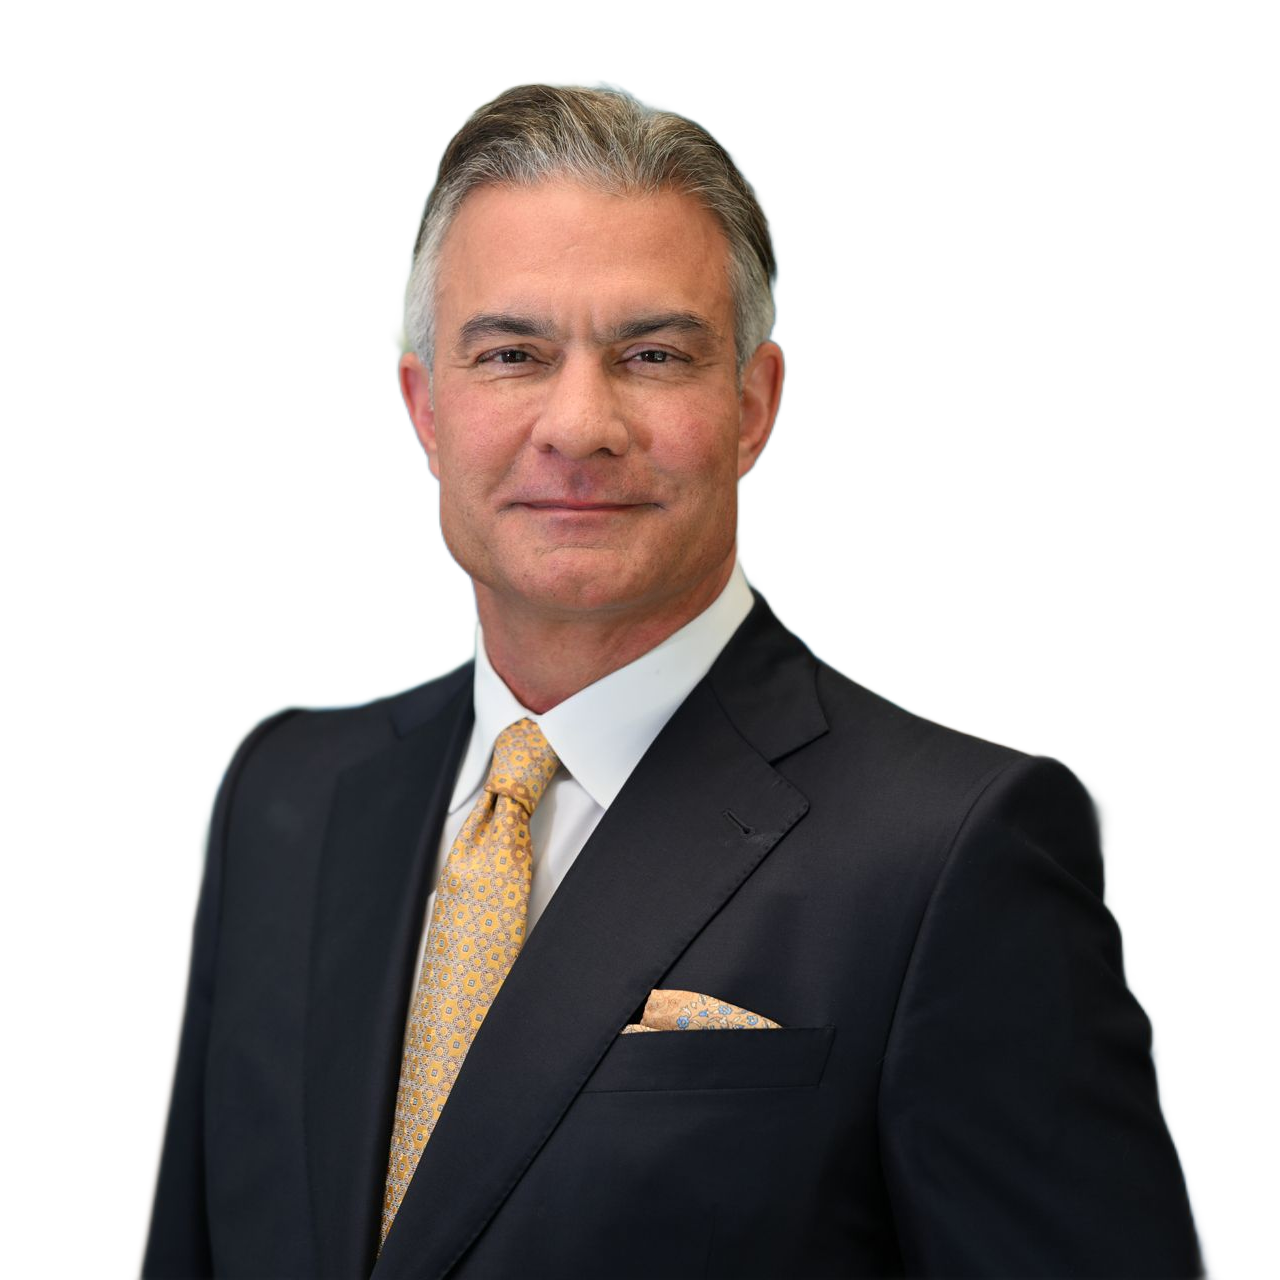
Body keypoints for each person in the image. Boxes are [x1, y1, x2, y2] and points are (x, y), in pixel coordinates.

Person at [138, 78, 1212, 1278]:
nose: (579, 423)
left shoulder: (958, 848)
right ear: (423, 404)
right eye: (511, 352)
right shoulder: (280, 791)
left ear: (752, 406)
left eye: (651, 353)